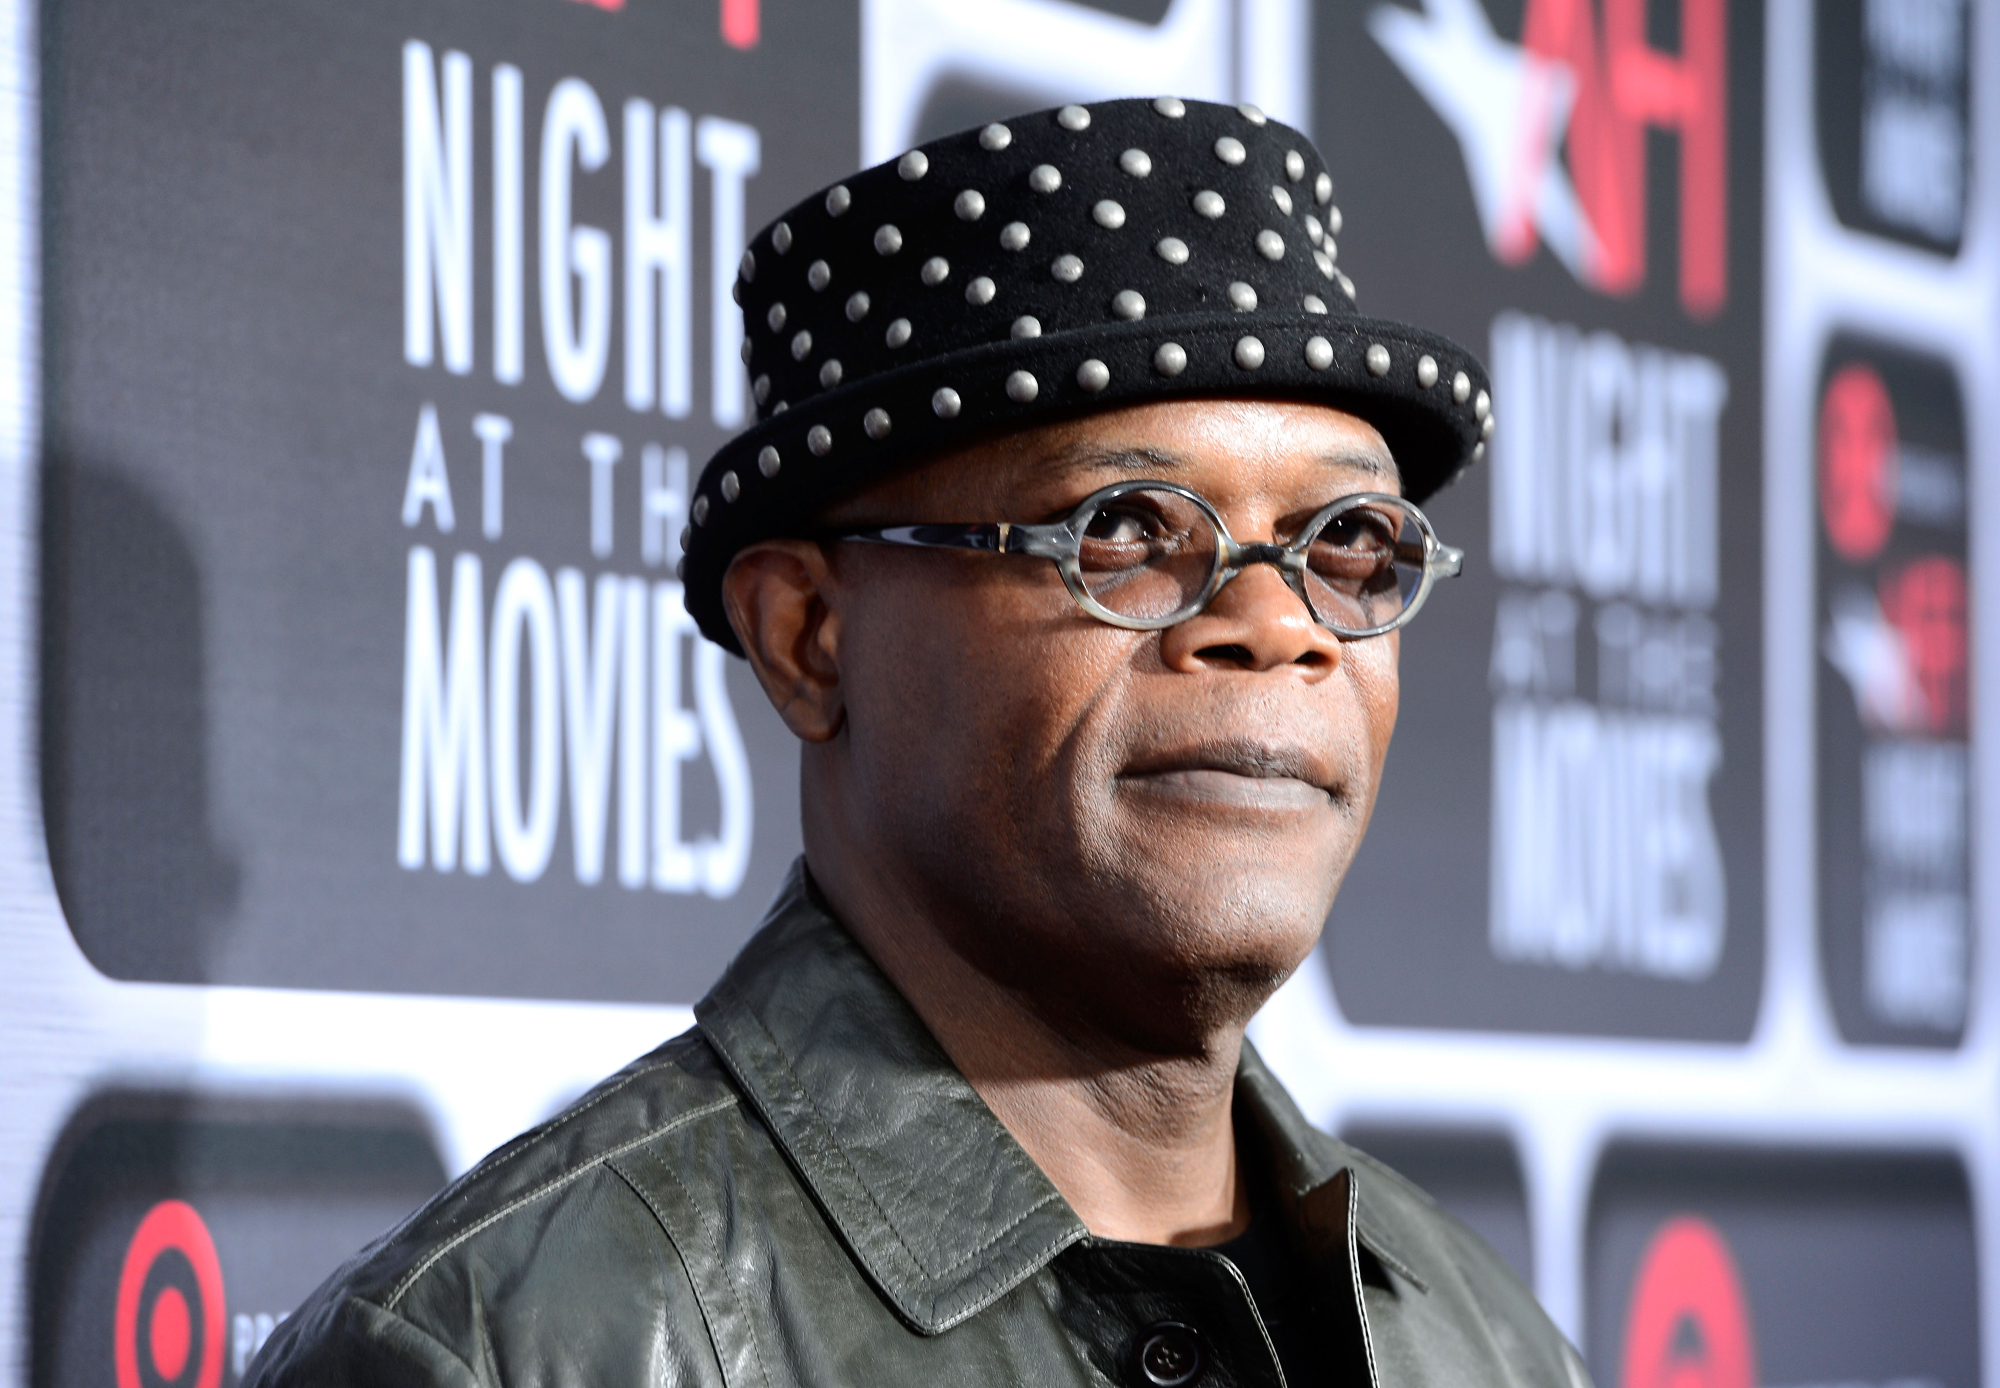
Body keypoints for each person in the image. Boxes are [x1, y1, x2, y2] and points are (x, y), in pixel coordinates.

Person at [249, 97, 1574, 1388]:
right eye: (1123, 527)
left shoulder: (1491, 1346)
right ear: (808, 637)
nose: (1280, 626)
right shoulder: (506, 1350)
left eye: (1349, 545)